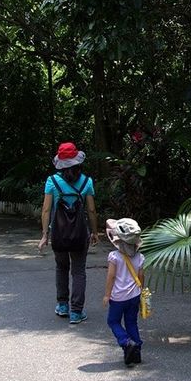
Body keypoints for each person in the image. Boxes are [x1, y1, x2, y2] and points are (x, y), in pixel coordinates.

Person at [38, 142, 99, 324]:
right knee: (79, 271)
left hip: (59, 233)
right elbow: (92, 211)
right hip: (80, 234)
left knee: (61, 267)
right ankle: (76, 312)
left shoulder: (52, 181)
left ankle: (63, 305)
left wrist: (44, 235)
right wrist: (95, 232)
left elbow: (46, 211)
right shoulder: (87, 182)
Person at [102, 218, 145, 366]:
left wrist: (107, 295)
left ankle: (126, 342)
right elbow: (141, 277)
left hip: (118, 298)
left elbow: (111, 277)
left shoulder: (114, 257)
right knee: (131, 322)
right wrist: (140, 294)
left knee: (113, 321)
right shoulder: (140, 257)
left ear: (118, 240)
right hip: (134, 296)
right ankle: (137, 351)